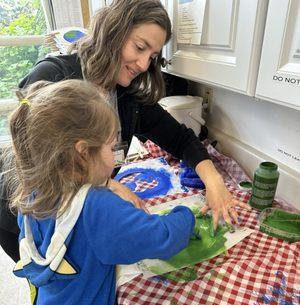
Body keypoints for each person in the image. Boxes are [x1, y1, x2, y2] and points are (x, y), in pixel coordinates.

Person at [0, 0, 250, 262]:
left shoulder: (128, 97)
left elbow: (180, 138)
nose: (143, 64)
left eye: (152, 56)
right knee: (50, 285)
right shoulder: (54, 75)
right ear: (113, 31)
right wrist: (108, 183)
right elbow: (36, 161)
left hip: (77, 219)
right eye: (139, 47)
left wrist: (213, 180)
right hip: (27, 216)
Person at [8, 79, 195, 305]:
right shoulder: (96, 208)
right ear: (82, 153)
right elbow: (162, 238)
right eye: (111, 147)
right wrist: (186, 215)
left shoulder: (34, 191)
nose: (115, 155)